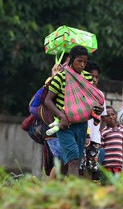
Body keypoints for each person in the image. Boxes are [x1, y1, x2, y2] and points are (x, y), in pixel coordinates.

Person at [43, 46, 104, 177]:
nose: (82, 65)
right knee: (74, 160)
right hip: (65, 125)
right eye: (79, 61)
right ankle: (74, 195)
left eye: (85, 62)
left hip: (82, 125)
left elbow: (91, 99)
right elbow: (47, 100)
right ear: (71, 60)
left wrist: (98, 109)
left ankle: (56, 189)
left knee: (68, 162)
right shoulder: (60, 77)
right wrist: (60, 114)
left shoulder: (87, 77)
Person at [83, 60, 106, 180]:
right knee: (79, 168)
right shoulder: (79, 92)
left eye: (97, 77)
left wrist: (98, 133)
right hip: (81, 136)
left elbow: (103, 117)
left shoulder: (100, 94)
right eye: (92, 76)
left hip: (95, 138)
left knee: (92, 169)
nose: (95, 79)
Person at [100, 108, 123, 175]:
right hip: (106, 167)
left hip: (118, 166)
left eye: (113, 114)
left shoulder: (122, 130)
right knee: (106, 184)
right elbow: (101, 149)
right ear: (103, 119)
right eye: (107, 115)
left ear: (116, 115)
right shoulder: (104, 132)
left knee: (116, 184)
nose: (111, 117)